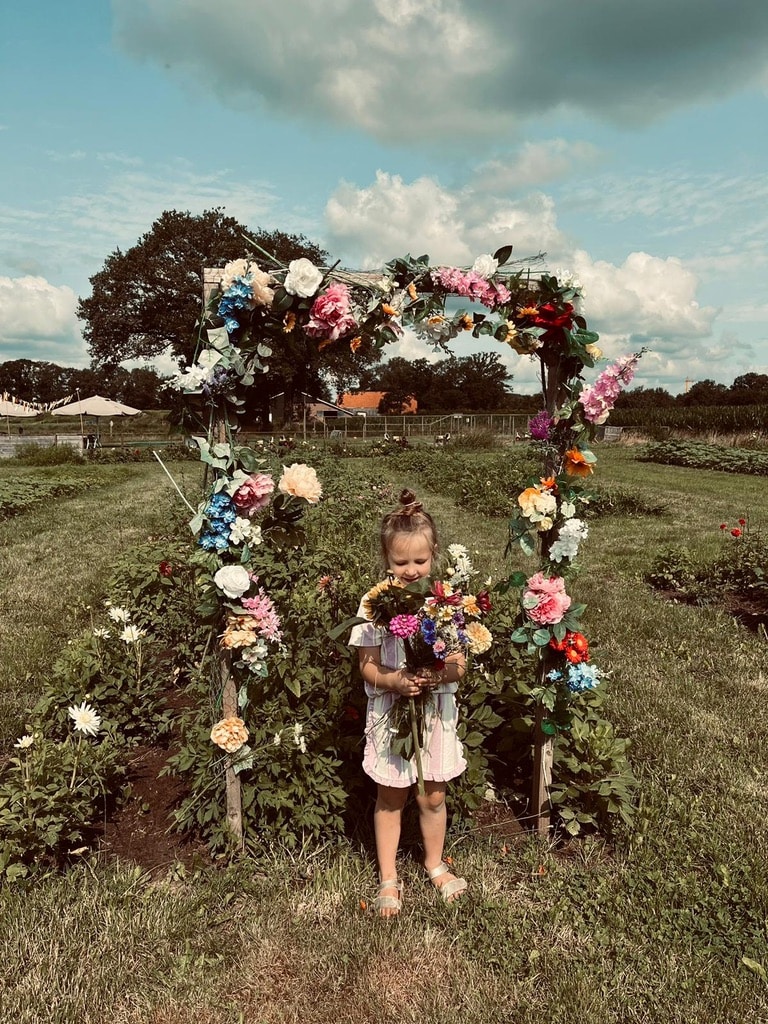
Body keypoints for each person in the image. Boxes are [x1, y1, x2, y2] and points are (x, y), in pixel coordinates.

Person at [349, 489, 468, 917]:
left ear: (433, 554)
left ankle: (434, 863)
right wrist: (395, 681)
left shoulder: (446, 604)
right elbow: (367, 666)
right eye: (401, 563)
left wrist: (436, 674)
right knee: (391, 795)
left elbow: (459, 664)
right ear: (386, 559)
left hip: (434, 715)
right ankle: (387, 877)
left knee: (433, 795)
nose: (411, 570)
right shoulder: (374, 606)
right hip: (391, 716)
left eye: (420, 561)